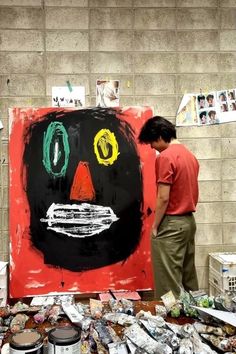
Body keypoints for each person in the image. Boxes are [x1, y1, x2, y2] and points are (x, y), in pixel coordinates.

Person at [138, 116, 199, 300]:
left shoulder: (165, 157)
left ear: (159, 136)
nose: (152, 147)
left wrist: (155, 226)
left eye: (151, 142)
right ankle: (196, 316)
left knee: (167, 285)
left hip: (172, 224)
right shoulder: (190, 155)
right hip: (189, 222)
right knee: (189, 277)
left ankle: (169, 324)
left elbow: (163, 197)